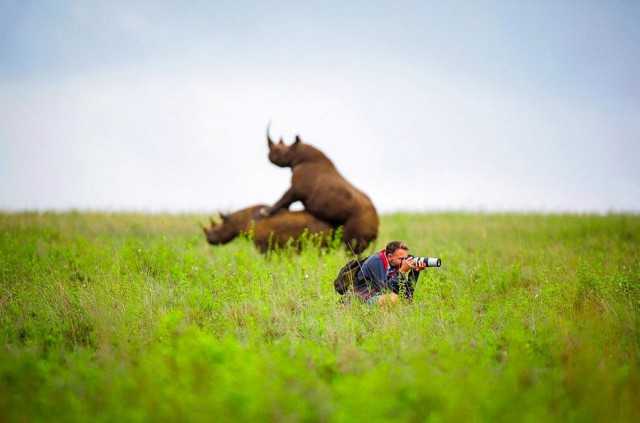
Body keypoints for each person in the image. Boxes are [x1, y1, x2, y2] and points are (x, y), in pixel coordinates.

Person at [353, 240, 426, 306]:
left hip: (378, 297)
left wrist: (414, 272)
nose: (404, 261)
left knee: (417, 305)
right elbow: (384, 289)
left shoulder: (395, 265)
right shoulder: (375, 261)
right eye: (401, 259)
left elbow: (407, 296)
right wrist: (401, 272)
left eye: (405, 258)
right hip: (362, 299)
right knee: (392, 299)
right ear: (390, 257)